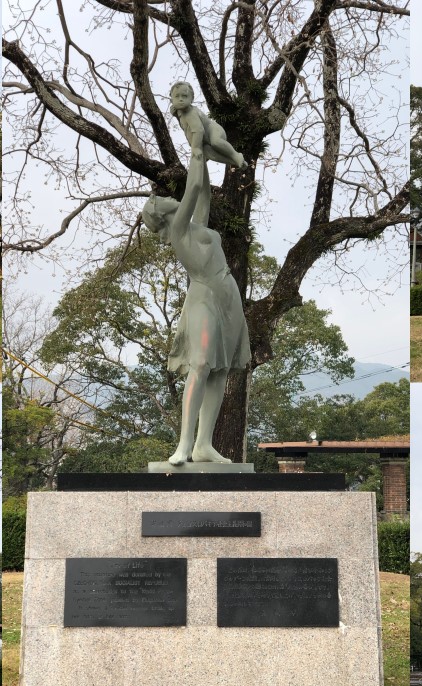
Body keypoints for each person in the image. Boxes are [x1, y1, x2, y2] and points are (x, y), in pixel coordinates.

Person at [141, 151, 251, 465]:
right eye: (158, 202)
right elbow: (190, 191)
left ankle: (204, 445)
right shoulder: (178, 231)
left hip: (228, 296)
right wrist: (197, 150)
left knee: (220, 371)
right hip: (203, 296)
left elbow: (201, 192)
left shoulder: (195, 226)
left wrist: (203, 162)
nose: (162, 199)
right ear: (161, 215)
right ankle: (185, 444)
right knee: (201, 364)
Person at [169, 81, 246, 169]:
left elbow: (199, 130)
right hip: (203, 140)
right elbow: (186, 128)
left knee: (215, 142)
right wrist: (176, 116)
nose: (181, 99)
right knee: (208, 153)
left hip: (213, 130)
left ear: (192, 99)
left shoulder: (191, 112)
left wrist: (195, 147)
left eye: (184, 96)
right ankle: (235, 161)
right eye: (177, 96)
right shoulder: (181, 114)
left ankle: (236, 155)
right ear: (172, 100)